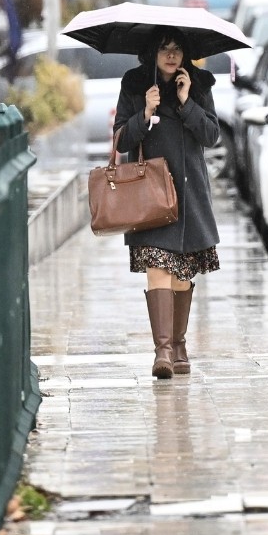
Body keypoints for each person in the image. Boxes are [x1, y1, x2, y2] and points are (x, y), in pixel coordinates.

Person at [113, 27, 221, 379]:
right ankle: (162, 352)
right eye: (164, 49)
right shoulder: (134, 85)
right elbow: (122, 138)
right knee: (158, 265)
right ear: (153, 53)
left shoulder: (199, 84)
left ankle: (178, 343)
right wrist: (145, 112)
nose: (171, 55)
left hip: (189, 191)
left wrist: (187, 102)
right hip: (151, 193)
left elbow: (211, 135)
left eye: (176, 49)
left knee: (182, 272)